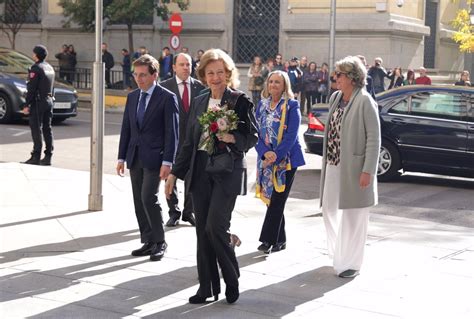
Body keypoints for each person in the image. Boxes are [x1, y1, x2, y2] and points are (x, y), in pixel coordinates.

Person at [164, 48, 258, 304]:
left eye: (220, 72)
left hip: (227, 171)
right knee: (202, 233)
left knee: (215, 227)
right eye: (210, 73)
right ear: (203, 76)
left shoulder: (240, 101)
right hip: (200, 171)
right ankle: (207, 287)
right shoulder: (199, 101)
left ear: (228, 74)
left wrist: (232, 138)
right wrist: (174, 173)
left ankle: (231, 277)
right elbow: (187, 142)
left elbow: (253, 136)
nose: (215, 77)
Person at [320, 56, 381, 278]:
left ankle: (352, 263)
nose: (335, 77)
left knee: (354, 217)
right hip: (334, 164)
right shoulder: (336, 97)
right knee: (328, 208)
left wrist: (368, 170)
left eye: (340, 74)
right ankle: (338, 252)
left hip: (356, 169)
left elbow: (374, 139)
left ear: (352, 78)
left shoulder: (365, 101)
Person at [116, 54, 179, 262]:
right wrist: (121, 157)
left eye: (143, 75)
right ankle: (148, 241)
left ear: (154, 75)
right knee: (138, 201)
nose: (139, 79)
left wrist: (168, 162)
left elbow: (172, 133)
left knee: (148, 198)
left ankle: (160, 241)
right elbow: (127, 128)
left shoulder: (167, 97)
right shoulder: (133, 97)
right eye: (136, 75)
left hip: (156, 158)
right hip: (135, 157)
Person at [255, 70, 305, 253]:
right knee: (274, 201)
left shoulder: (292, 106)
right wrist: (264, 153)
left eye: (277, 82)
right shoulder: (261, 105)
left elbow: (292, 135)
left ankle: (267, 240)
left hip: (287, 161)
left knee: (277, 199)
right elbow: (256, 134)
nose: (273, 85)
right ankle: (280, 240)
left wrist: (275, 155)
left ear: (285, 85)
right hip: (266, 160)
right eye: (271, 82)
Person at [160, 53, 205, 227]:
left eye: (189, 64)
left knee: (192, 178)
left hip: (193, 142)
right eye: (182, 64)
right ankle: (174, 212)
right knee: (171, 177)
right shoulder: (164, 87)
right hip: (171, 142)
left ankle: (188, 212)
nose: (186, 67)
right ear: (174, 67)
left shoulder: (200, 87)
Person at [21, 45, 55, 166]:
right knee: (47, 128)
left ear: (36, 55)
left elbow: (32, 88)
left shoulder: (36, 68)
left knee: (36, 128)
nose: (32, 54)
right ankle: (48, 157)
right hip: (49, 100)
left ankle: (35, 156)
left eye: (33, 53)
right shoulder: (49, 67)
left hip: (38, 102)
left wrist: (26, 104)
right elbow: (52, 86)